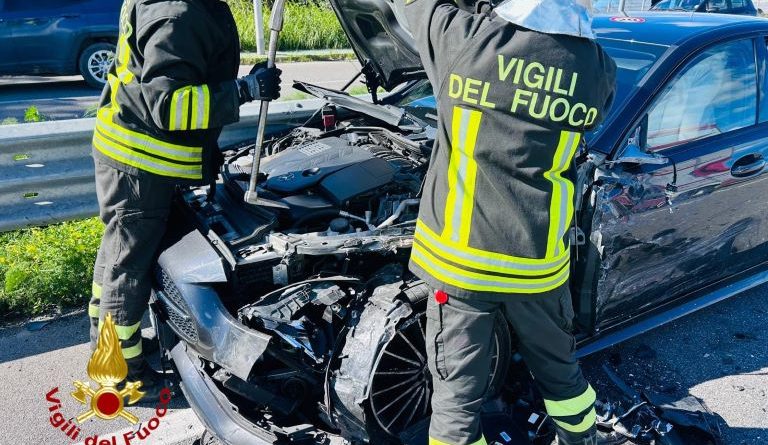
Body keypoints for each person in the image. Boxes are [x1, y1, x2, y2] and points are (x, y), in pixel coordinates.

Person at [402, 0, 616, 443]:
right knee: (563, 379)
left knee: (456, 401)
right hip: (537, 266)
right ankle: (582, 438)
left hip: (461, 269)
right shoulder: (595, 69)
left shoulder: (463, 39)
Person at [88, 0, 281, 398]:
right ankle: (117, 379)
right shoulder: (181, 15)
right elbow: (169, 106)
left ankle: (102, 349)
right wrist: (244, 90)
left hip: (127, 151)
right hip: (139, 163)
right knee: (127, 270)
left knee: (117, 257)